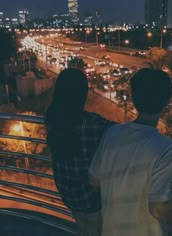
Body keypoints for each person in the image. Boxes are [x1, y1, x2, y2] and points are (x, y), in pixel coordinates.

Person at [89, 68, 172, 236]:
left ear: (132, 96)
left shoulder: (113, 133)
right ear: (168, 101)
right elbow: (157, 209)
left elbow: (94, 180)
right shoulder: (166, 148)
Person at [45, 68, 115, 236]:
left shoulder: (52, 118)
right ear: (83, 94)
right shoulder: (93, 124)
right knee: (95, 230)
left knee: (83, 226)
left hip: (67, 191)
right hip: (89, 196)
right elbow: (121, 131)